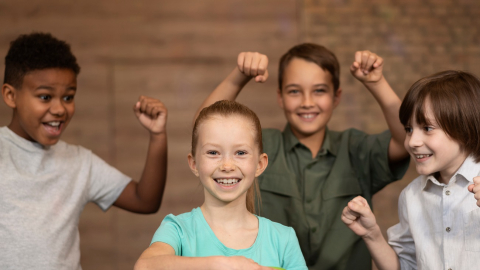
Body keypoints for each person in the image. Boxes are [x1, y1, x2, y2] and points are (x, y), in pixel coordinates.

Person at [194, 44, 410, 269]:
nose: (307, 102)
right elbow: (204, 132)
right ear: (280, 97)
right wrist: (239, 77)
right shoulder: (261, 147)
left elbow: (408, 138)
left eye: (319, 90)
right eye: (294, 91)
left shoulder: (356, 148)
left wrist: (376, 83)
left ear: (336, 97)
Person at [0, 32, 168, 270]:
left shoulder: (80, 162)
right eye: (45, 96)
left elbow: (145, 200)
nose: (59, 109)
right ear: (10, 95)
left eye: (68, 97)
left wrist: (158, 135)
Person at [135, 100, 307, 270]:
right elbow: (144, 266)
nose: (227, 166)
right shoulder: (177, 229)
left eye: (240, 152)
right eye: (213, 152)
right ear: (194, 163)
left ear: (260, 164)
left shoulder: (284, 239)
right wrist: (221, 265)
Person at [341, 70, 480, 269]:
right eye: (409, 129)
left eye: (427, 128)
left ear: (463, 127)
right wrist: (371, 234)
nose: (412, 142)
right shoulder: (412, 196)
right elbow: (405, 266)